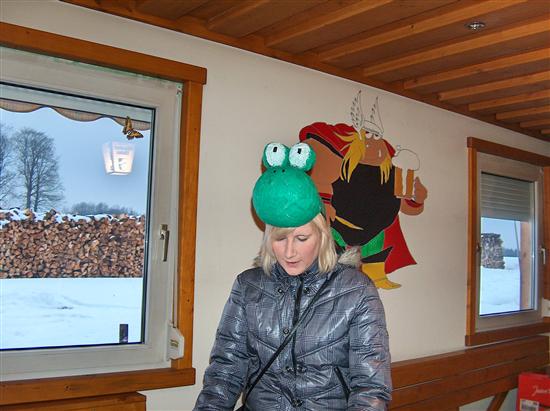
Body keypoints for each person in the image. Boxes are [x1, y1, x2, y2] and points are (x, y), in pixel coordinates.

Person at [194, 142, 392, 410]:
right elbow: (224, 373)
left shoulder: (356, 291)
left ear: (322, 235)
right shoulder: (248, 286)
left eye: (301, 238)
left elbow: (370, 388)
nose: (289, 252)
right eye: (280, 239)